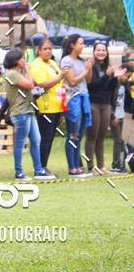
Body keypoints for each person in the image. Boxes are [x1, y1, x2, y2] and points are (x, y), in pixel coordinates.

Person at [4, 47, 56, 181]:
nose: (24, 61)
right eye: (22, 58)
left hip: (28, 111)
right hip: (20, 112)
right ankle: (19, 172)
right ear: (16, 61)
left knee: (36, 140)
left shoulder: (16, 74)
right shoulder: (12, 74)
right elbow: (29, 84)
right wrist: (28, 70)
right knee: (20, 143)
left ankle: (39, 170)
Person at [85, 41, 126, 174]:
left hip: (106, 104)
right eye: (98, 50)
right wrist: (108, 75)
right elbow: (93, 86)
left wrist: (115, 78)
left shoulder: (107, 66)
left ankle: (101, 165)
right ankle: (91, 167)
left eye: (103, 50)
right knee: (92, 135)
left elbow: (109, 88)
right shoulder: (91, 66)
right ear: (94, 52)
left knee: (101, 136)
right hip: (93, 103)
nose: (101, 53)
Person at [30, 37, 68, 173]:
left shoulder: (52, 62)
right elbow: (41, 85)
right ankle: (40, 167)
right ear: (39, 51)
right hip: (45, 107)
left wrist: (62, 85)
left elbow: (56, 80)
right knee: (44, 138)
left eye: (50, 49)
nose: (48, 52)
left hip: (57, 105)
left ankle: (44, 165)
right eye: (45, 49)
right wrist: (59, 78)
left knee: (50, 137)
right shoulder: (37, 64)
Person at [60, 34, 94, 176]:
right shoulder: (66, 60)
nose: (83, 45)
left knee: (79, 134)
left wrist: (89, 68)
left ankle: (78, 166)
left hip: (84, 98)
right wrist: (86, 70)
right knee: (72, 133)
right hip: (73, 99)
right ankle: (72, 167)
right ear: (72, 45)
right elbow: (72, 81)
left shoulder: (81, 60)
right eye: (80, 43)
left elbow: (89, 80)